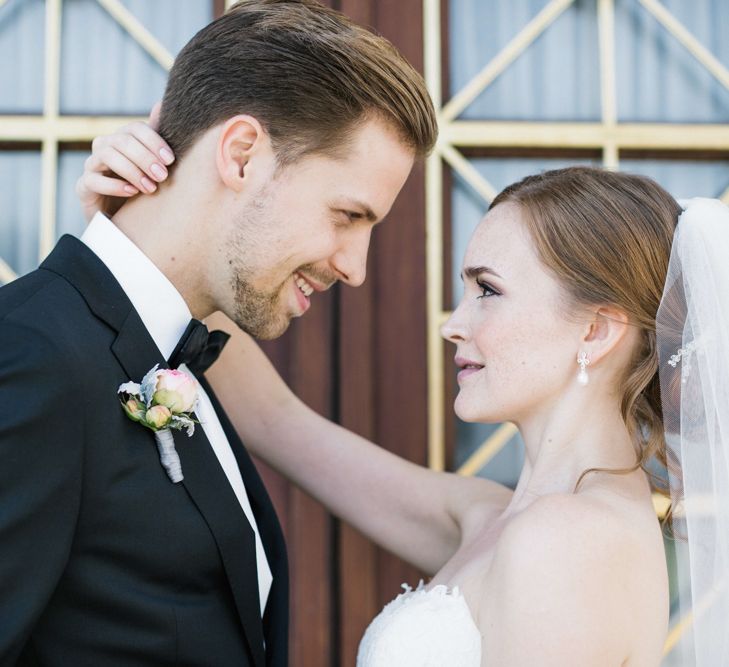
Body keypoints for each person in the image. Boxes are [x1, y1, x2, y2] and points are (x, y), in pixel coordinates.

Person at [85, 100, 719, 665]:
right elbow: (280, 424)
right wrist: (141, 227)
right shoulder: (497, 517)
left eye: (488, 291)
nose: (454, 325)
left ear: (596, 332)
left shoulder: (567, 542)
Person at [0, 1, 437, 665]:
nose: (355, 267)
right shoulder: (33, 356)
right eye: (346, 214)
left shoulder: (181, 358)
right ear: (240, 154)